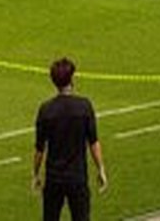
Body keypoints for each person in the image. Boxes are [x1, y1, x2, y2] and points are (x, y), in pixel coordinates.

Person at [32, 58, 107, 221]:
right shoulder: (84, 106)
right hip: (77, 177)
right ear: (72, 79)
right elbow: (93, 142)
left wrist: (36, 173)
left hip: (54, 177)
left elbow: (39, 148)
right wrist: (100, 168)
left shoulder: (46, 110)